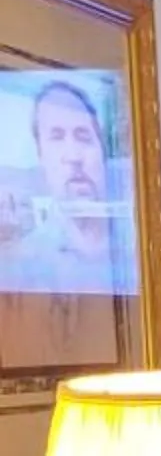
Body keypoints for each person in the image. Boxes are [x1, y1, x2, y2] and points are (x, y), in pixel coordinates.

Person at [0, 77, 129, 294]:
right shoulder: (20, 267)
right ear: (41, 156)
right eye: (57, 137)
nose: (74, 156)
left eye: (84, 137)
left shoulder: (142, 243)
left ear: (102, 152)